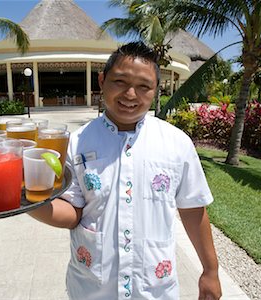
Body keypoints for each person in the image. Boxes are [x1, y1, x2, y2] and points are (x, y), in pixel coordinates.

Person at [29, 41, 222, 300]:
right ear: (102, 81)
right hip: (92, 288)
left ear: (156, 90)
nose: (131, 95)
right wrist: (27, 201)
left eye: (144, 86)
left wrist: (210, 270)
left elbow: (193, 209)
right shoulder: (77, 142)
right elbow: (73, 212)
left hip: (154, 290)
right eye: (120, 82)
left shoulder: (176, 143)